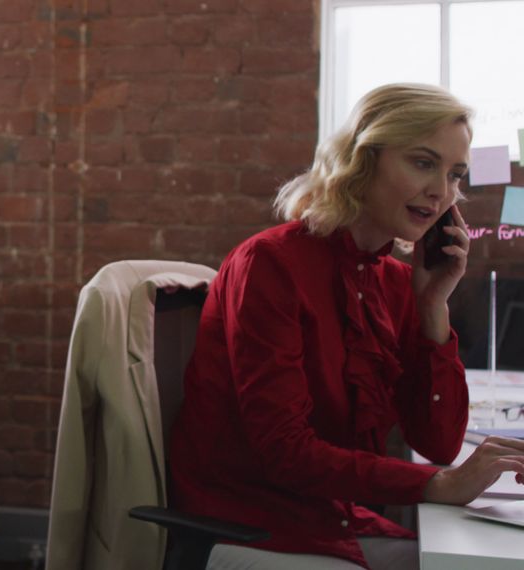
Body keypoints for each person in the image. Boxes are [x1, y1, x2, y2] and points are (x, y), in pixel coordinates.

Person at [169, 83, 524, 570]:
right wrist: (435, 485)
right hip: (250, 529)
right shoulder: (270, 264)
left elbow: (438, 443)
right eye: (423, 163)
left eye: (455, 174)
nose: (442, 191)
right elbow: (285, 452)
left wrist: (434, 307)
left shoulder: (398, 284)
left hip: (332, 524)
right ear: (363, 160)